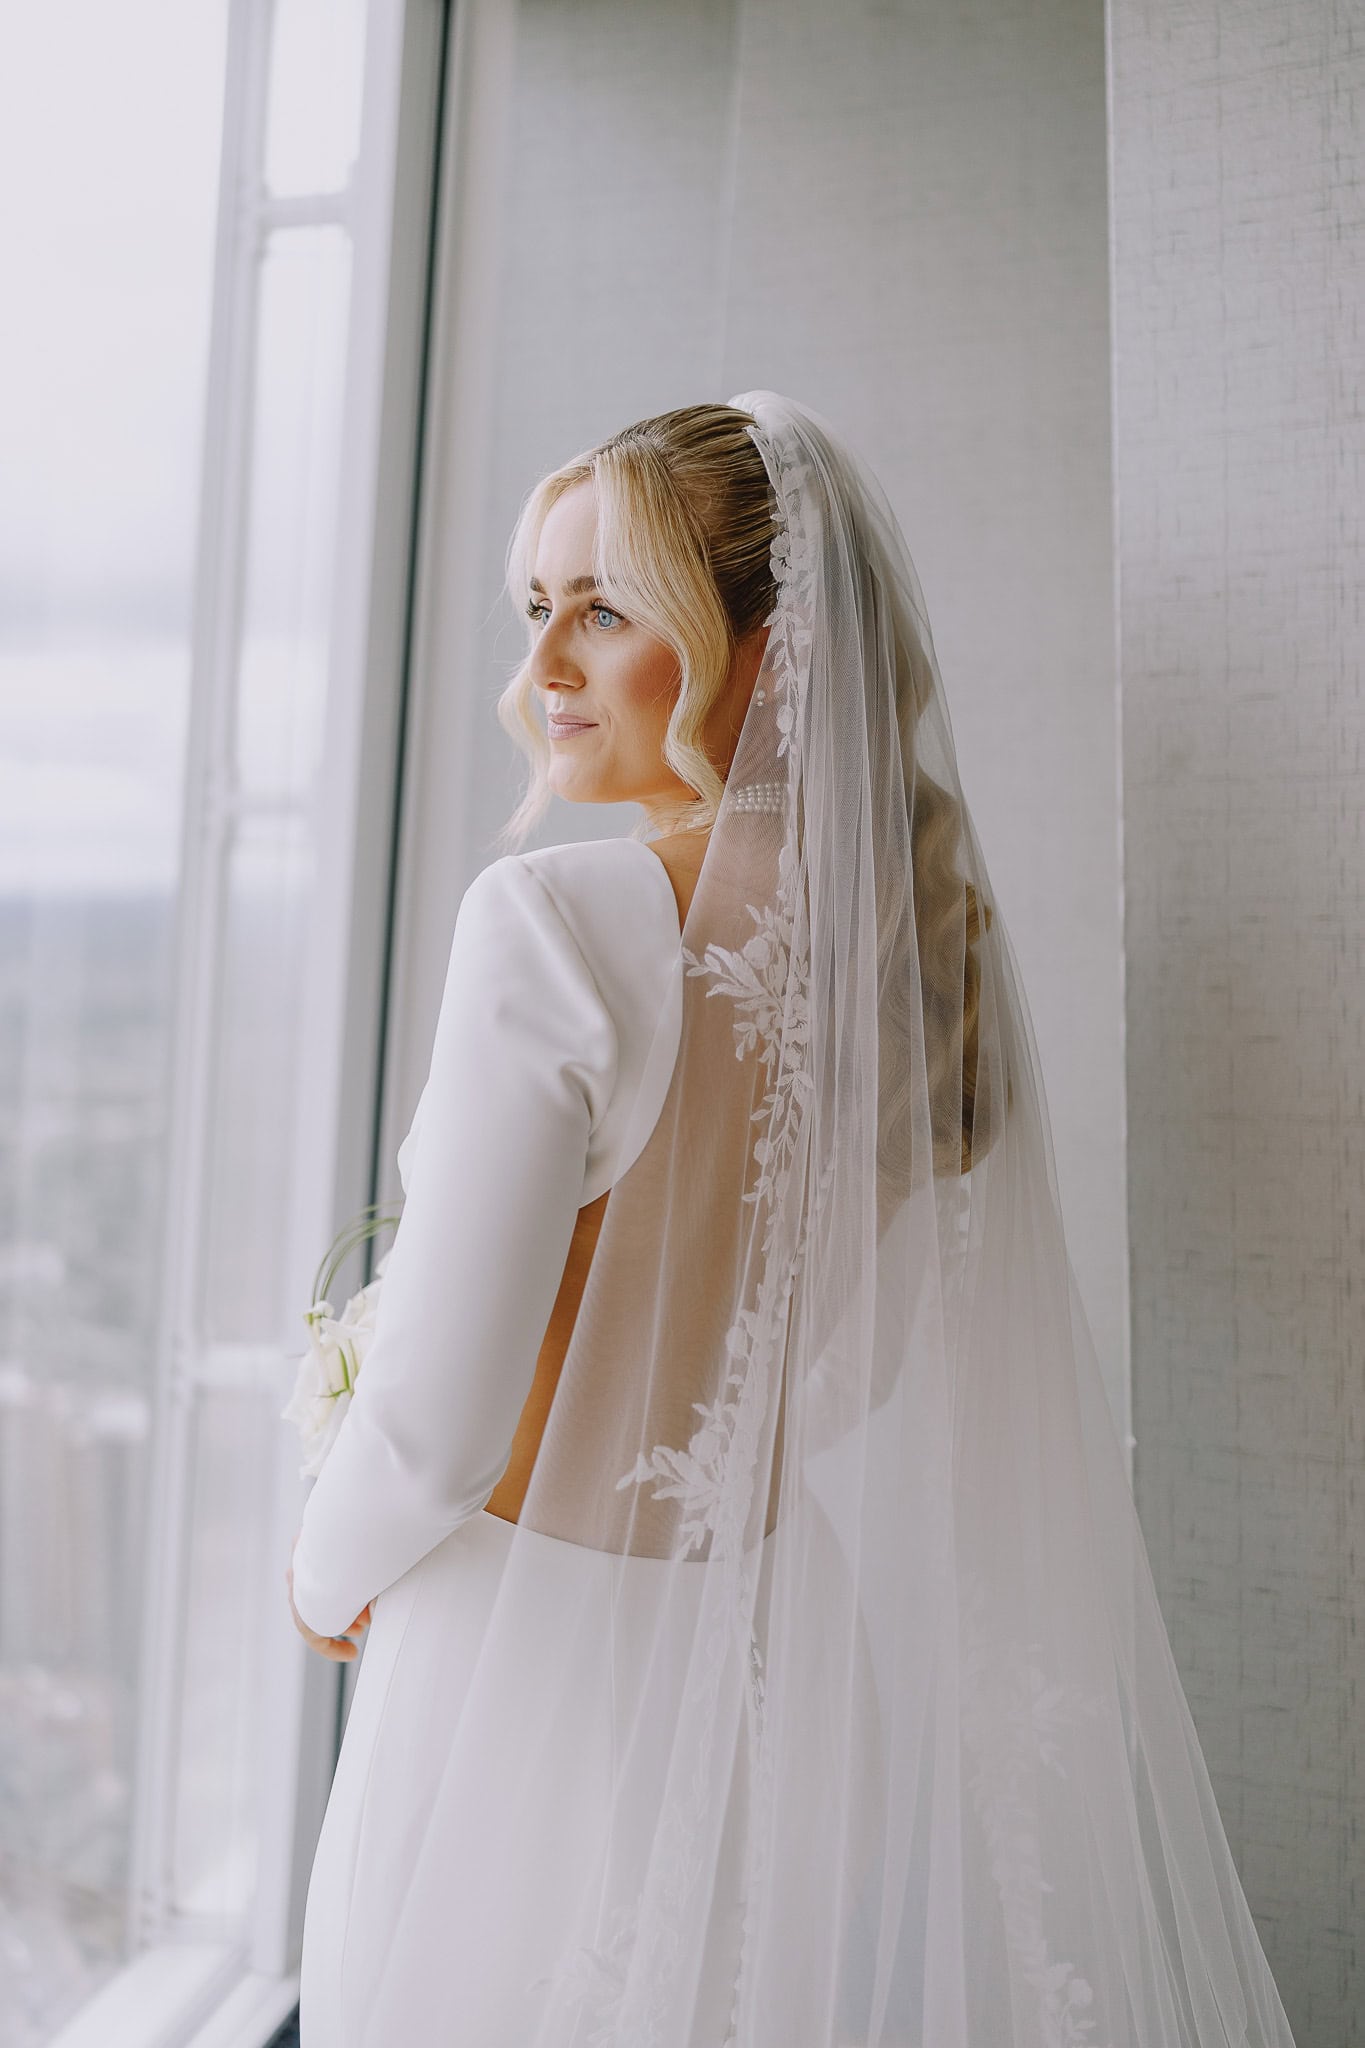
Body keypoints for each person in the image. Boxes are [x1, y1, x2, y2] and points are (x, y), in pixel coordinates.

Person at [285, 393, 1299, 2046]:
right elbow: (853, 1373)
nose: (544, 664)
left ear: (768, 644)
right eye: (536, 607)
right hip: (775, 1664)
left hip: (524, 1676)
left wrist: (321, 1573)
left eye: (606, 611)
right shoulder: (904, 958)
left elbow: (434, 1427)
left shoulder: (557, 921)